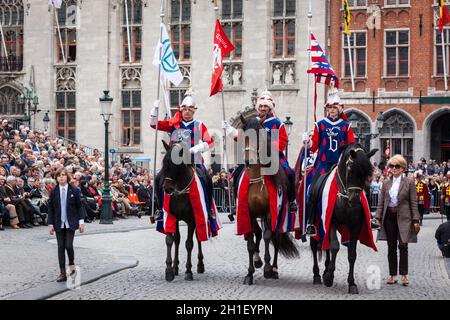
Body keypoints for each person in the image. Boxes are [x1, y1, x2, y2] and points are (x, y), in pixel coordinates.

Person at [150, 89, 214, 221]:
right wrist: (155, 109)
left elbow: (210, 142)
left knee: (207, 179)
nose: (187, 112)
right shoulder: (173, 124)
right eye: (184, 110)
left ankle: (209, 209)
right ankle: (159, 209)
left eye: (190, 110)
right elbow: (153, 124)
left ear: (194, 111)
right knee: (158, 179)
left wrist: (196, 148)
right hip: (175, 162)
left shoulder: (200, 125)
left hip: (194, 161)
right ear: (181, 110)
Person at [302, 88, 355, 235]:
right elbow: (314, 147)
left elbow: (352, 146)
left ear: (339, 109)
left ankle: (364, 218)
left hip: (341, 166)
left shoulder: (346, 126)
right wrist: (307, 143)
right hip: (323, 165)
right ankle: (311, 223)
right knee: (311, 190)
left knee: (358, 188)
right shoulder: (320, 124)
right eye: (329, 108)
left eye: (334, 108)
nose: (331, 110)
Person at [376, 155, 421, 286]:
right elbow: (381, 202)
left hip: (404, 218)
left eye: (397, 166)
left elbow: (413, 202)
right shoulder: (385, 183)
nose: (394, 169)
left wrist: (416, 220)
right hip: (389, 217)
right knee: (391, 247)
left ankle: (404, 274)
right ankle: (392, 275)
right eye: (391, 166)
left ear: (403, 168)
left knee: (403, 245)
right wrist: (378, 217)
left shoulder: (409, 182)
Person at [48, 167, 85, 282]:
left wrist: (81, 222)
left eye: (63, 175)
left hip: (71, 222)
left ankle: (72, 264)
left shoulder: (74, 189)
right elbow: (50, 208)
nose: (61, 177)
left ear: (67, 176)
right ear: (56, 178)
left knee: (68, 245)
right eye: (59, 175)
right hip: (58, 222)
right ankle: (62, 273)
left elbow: (79, 206)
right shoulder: (54, 191)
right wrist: (50, 224)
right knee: (60, 247)